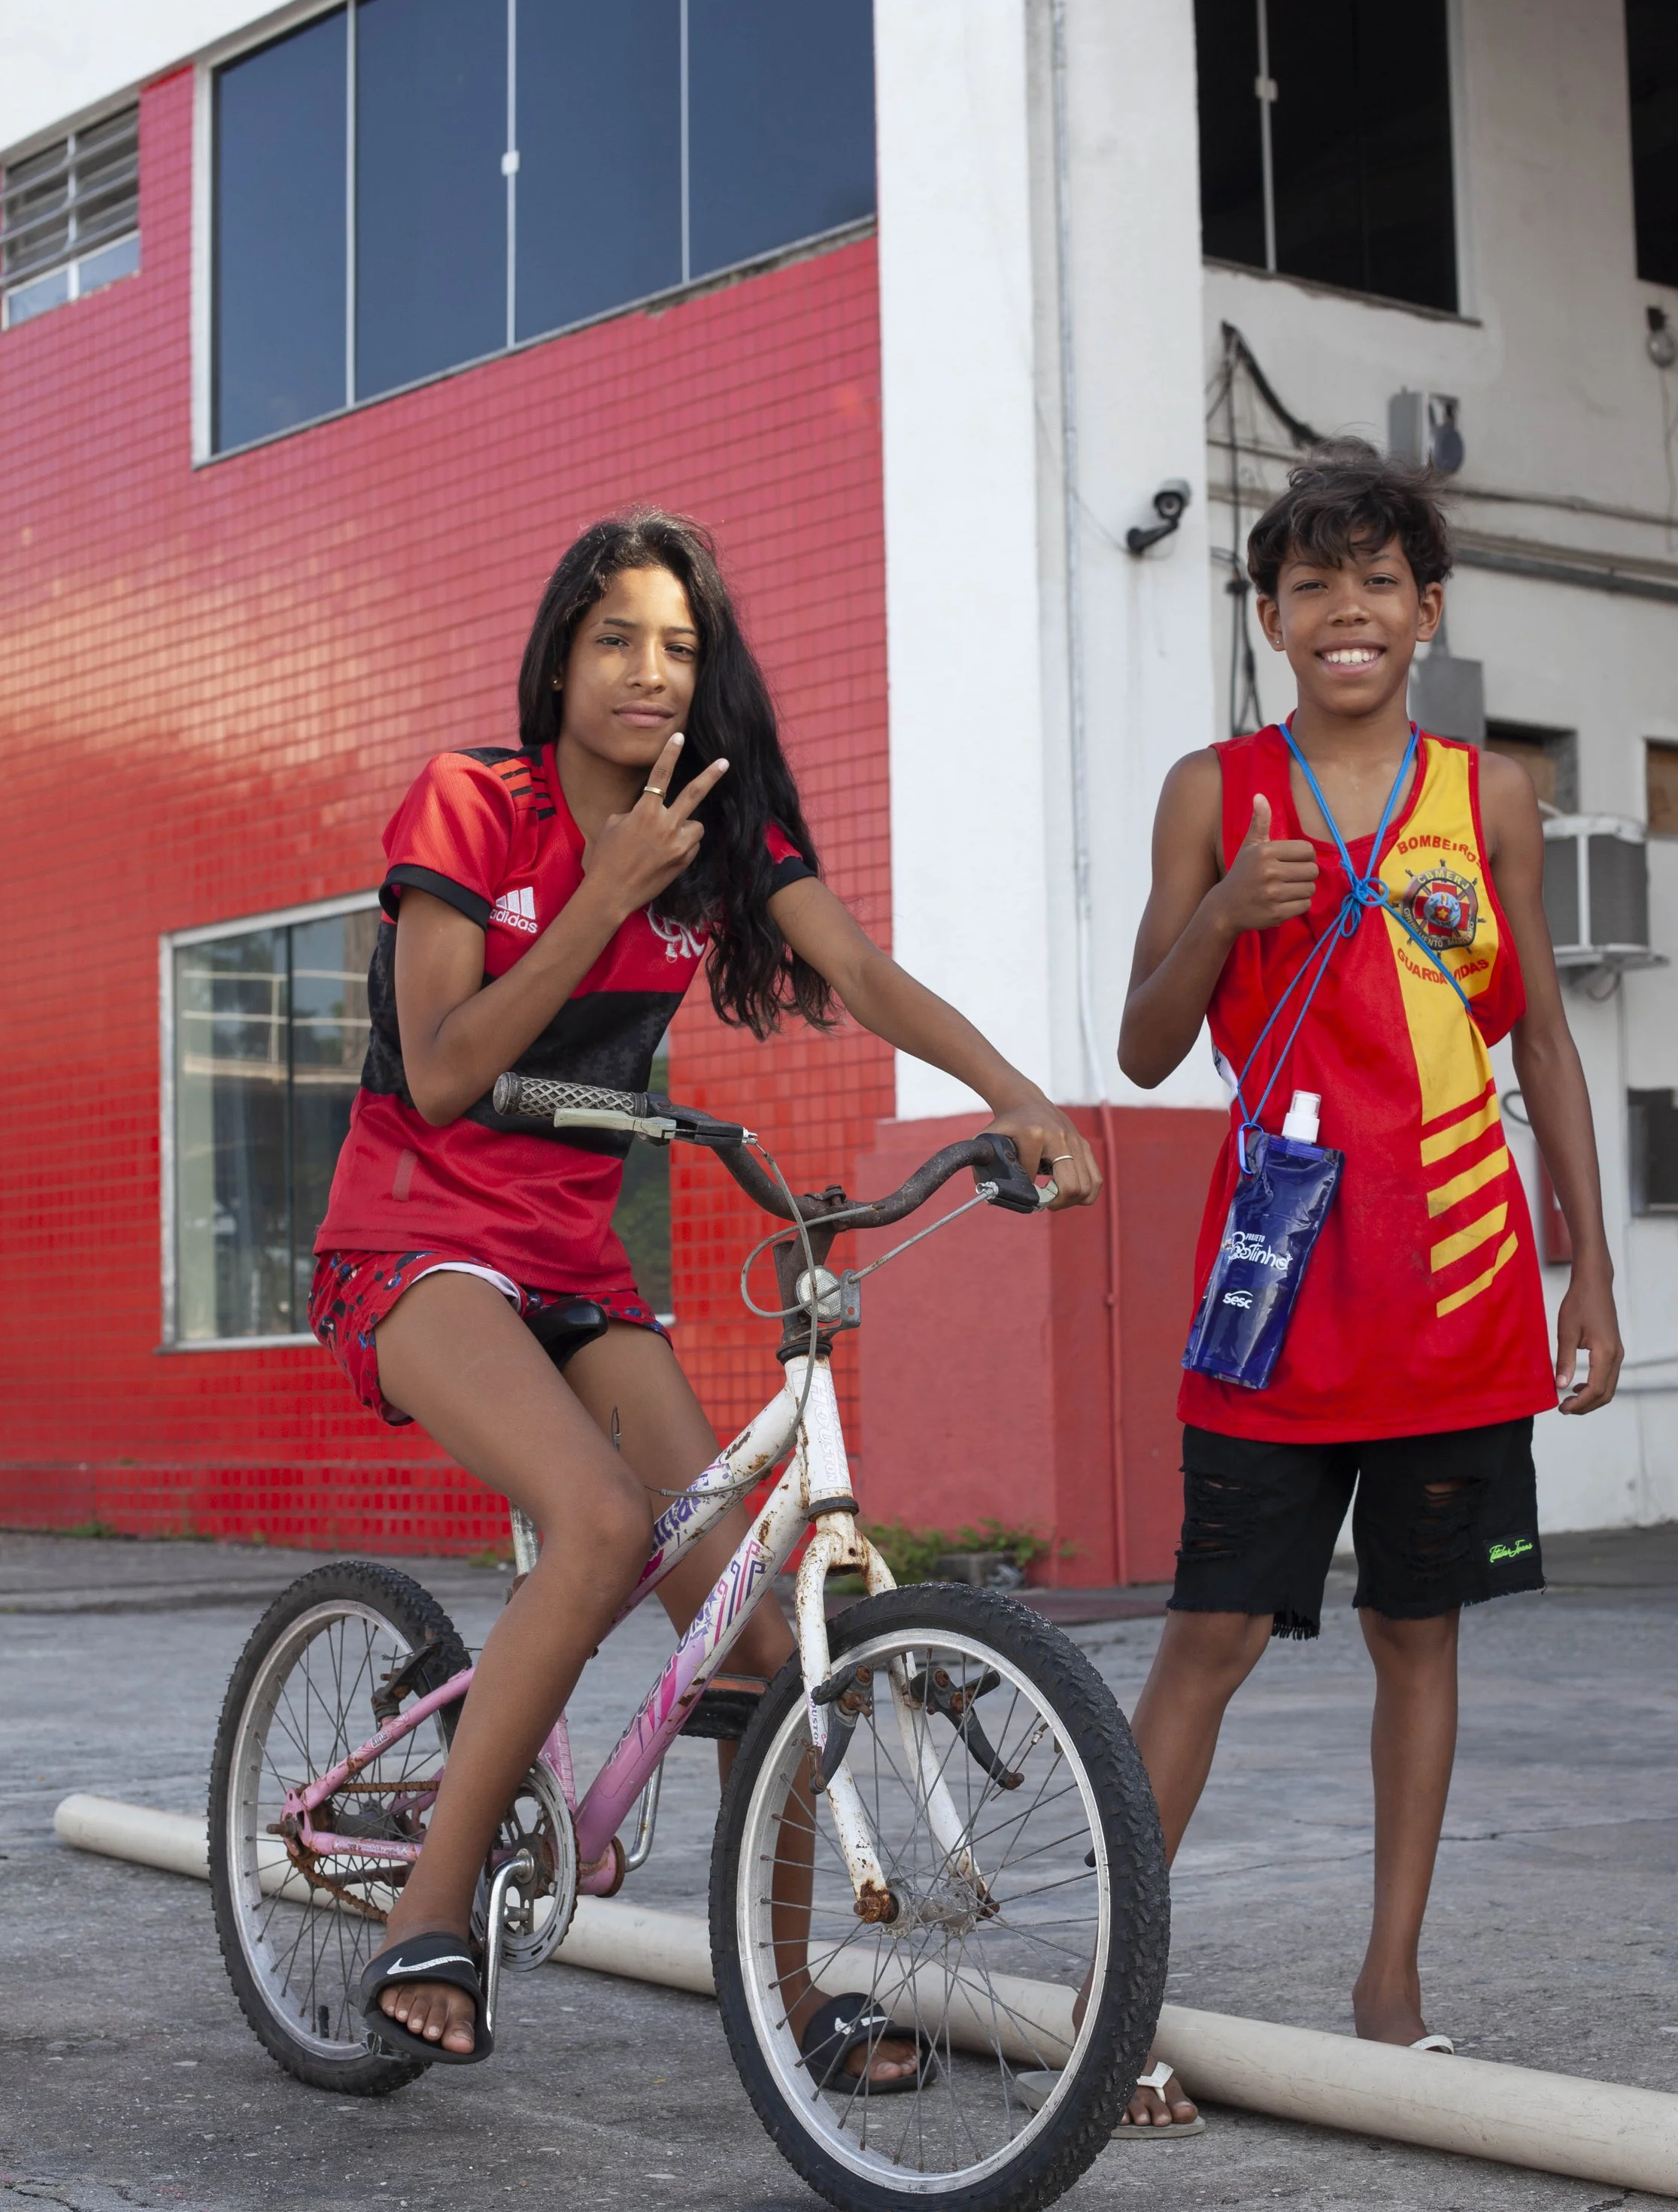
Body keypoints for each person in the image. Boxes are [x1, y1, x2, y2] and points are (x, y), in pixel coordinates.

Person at [310, 508, 1102, 2073]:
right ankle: (430, 1906)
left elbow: (862, 973)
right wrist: (605, 891)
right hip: (412, 1237)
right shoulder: (470, 807)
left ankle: (791, 1994)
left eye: (680, 647)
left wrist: (1018, 1094)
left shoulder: (717, 837)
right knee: (600, 1524)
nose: (650, 673)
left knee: (755, 1646)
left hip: (576, 1259)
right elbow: (452, 1069)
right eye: (617, 639)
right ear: (558, 656)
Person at [1112, 442, 1621, 2131]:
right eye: (1312, 584)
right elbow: (1143, 1040)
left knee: (1420, 1632)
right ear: (1268, 616)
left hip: (1459, 1285)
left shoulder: (1485, 800)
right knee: (1209, 1633)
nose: (1347, 611)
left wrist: (1587, 1269)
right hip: (1273, 1291)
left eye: (1377, 582)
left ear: (1425, 609)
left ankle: (1388, 1983)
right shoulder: (1213, 790)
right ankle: (1121, 1997)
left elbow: (1538, 1032)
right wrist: (1217, 924)